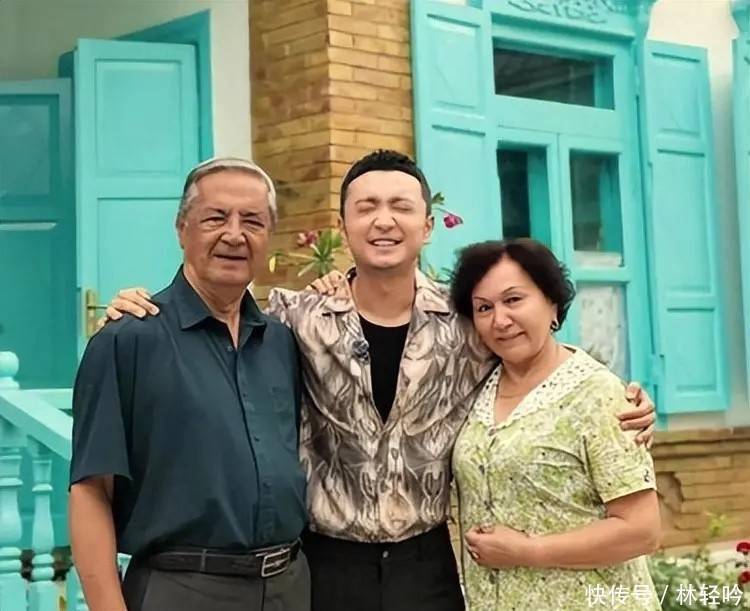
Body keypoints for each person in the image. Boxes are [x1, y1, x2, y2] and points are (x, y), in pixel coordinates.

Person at [103, 150, 656, 611]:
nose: (383, 221)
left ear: (427, 226)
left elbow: (536, 357)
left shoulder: (468, 326)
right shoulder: (295, 319)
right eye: (366, 207)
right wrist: (136, 306)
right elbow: (215, 323)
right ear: (344, 225)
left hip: (429, 564)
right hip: (325, 565)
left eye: (401, 207)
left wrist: (622, 398)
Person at [69, 158, 310, 611]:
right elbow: (90, 490)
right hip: (181, 589)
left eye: (252, 221)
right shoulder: (127, 341)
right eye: (216, 218)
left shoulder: (281, 342)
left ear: (269, 236)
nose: (234, 235)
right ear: (182, 229)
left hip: (288, 587)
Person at [450, 239, 661, 610]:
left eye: (514, 300)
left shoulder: (596, 393)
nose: (500, 320)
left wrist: (530, 551)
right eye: (484, 307)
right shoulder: (474, 390)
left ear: (552, 303)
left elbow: (641, 531)